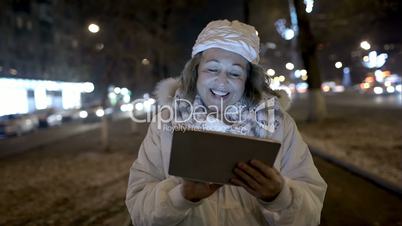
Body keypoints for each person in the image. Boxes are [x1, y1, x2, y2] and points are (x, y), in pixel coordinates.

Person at [126, 19, 327, 226]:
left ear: (248, 79)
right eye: (212, 69)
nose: (222, 82)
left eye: (234, 73)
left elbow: (311, 213)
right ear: (195, 72)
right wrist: (181, 197)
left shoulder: (278, 125)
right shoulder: (166, 124)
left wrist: (279, 196)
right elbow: (139, 210)